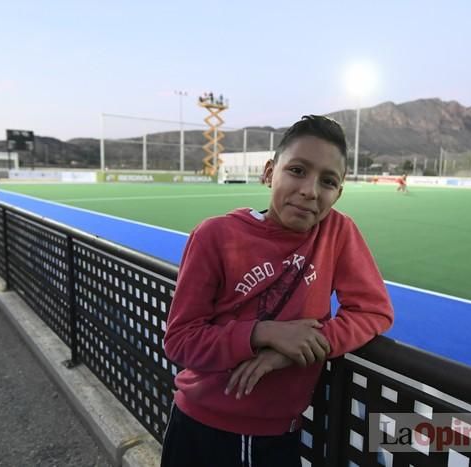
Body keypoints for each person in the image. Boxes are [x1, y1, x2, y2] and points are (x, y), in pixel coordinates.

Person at [161, 115, 394, 467]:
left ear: (339, 193)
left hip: (277, 435)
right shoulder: (215, 236)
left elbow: (373, 311)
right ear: (270, 172)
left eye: (328, 181)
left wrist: (296, 350)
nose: (310, 191)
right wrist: (263, 333)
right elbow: (179, 340)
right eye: (297, 171)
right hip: (201, 426)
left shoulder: (337, 232)